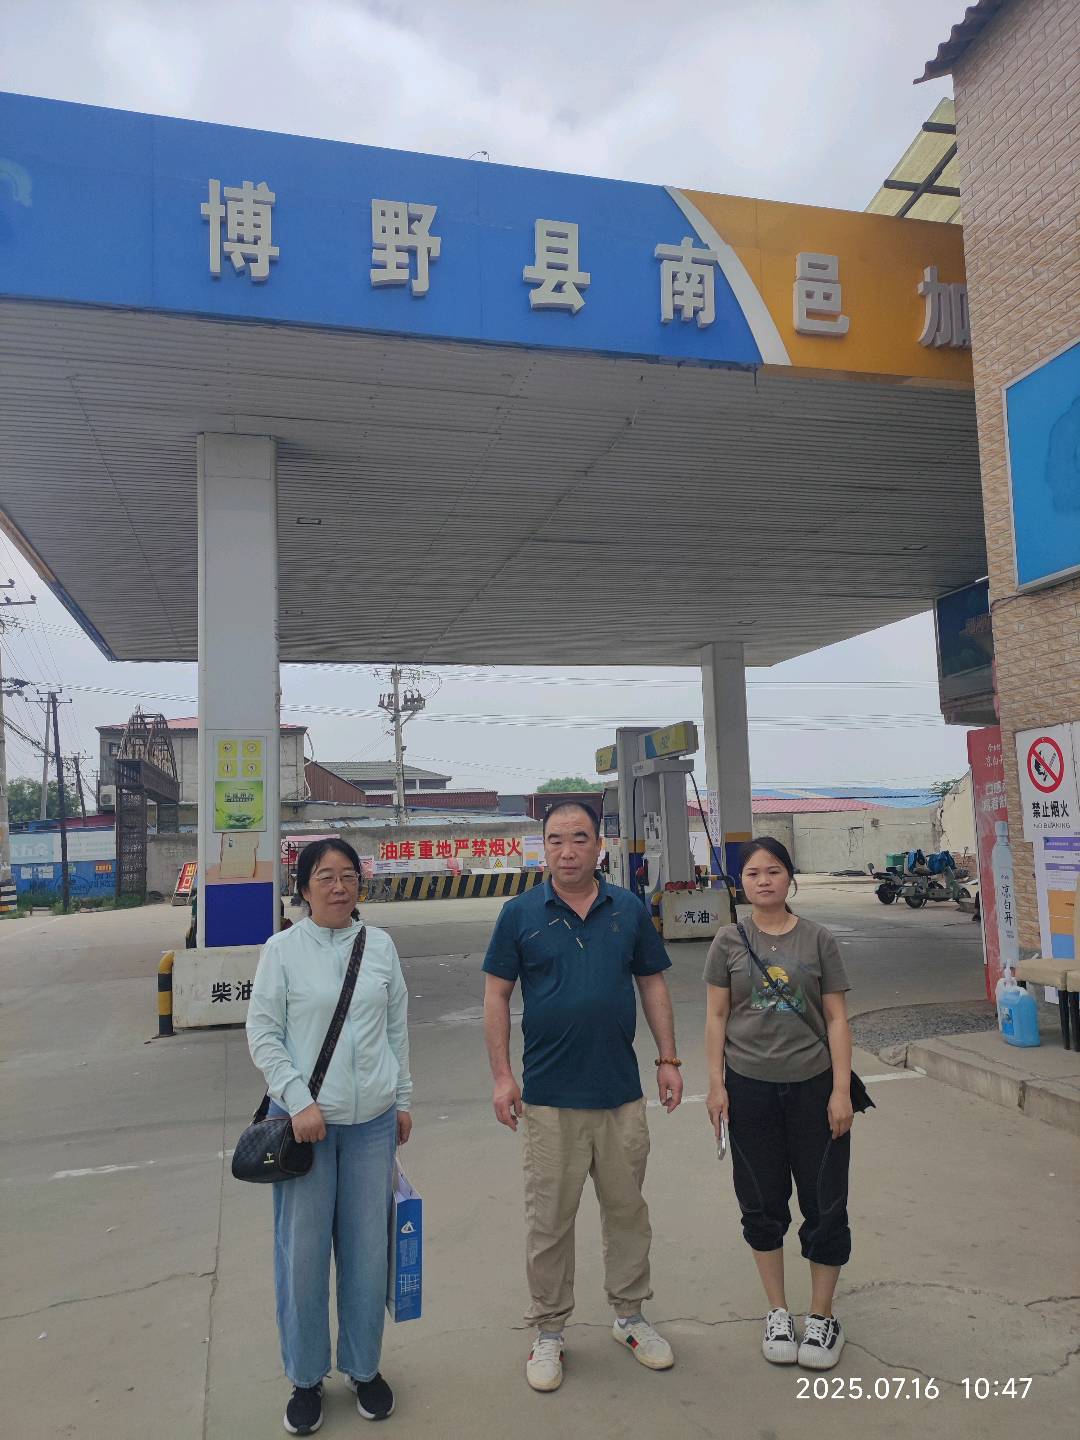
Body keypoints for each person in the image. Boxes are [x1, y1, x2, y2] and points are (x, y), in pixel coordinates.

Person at [482, 801, 684, 1393]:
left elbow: (652, 983)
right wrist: (503, 1076)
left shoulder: (628, 909)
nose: (566, 851)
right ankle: (549, 1331)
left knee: (627, 1214)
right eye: (555, 840)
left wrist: (668, 1059)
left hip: (620, 1094)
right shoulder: (520, 914)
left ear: (600, 845)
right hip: (549, 1099)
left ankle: (630, 1317)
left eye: (578, 839)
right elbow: (497, 997)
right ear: (542, 847)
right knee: (549, 1222)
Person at [247, 838, 413, 1433]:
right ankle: (306, 1377)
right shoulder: (282, 951)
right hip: (306, 1130)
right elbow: (263, 1033)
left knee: (369, 1253)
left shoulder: (381, 946)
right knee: (303, 1257)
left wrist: (402, 1099)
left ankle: (364, 1368)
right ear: (303, 887)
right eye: (325, 876)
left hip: (372, 1127)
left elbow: (396, 1029)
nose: (339, 887)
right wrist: (299, 1102)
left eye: (348, 875)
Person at [704, 836, 854, 1371]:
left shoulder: (818, 939)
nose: (763, 880)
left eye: (773, 871)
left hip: (814, 1087)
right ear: (740, 883)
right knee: (762, 1204)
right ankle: (778, 1312)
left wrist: (841, 1090)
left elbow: (836, 1018)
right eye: (752, 873)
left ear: (790, 877)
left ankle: (822, 1317)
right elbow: (717, 1017)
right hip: (750, 1089)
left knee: (825, 1203)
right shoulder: (728, 941)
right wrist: (716, 1084)